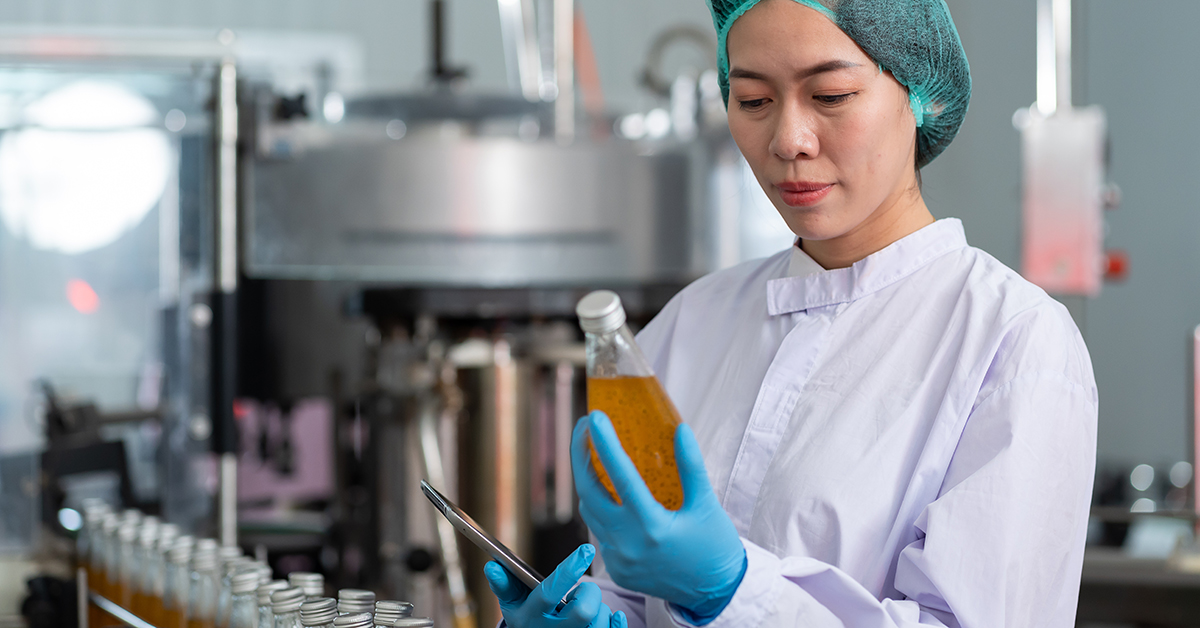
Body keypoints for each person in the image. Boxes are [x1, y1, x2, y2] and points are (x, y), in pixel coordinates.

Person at [483, 0, 1097, 626]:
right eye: (753, 101)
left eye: (831, 95)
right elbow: (633, 590)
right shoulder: (692, 322)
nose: (787, 140)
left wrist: (734, 592)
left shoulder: (1013, 343)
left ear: (920, 96)